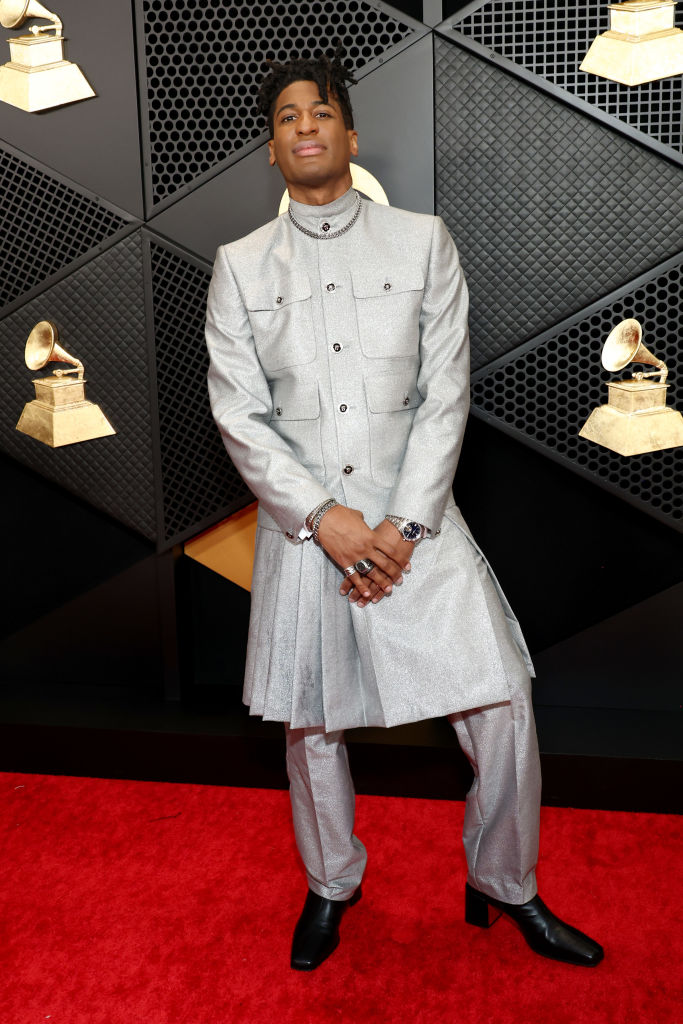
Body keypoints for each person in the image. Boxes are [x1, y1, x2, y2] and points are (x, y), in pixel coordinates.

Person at [205, 51, 603, 972]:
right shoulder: (237, 266)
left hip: (416, 526)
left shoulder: (423, 241)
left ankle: (505, 885)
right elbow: (239, 412)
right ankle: (331, 883)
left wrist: (400, 524)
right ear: (272, 149)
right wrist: (323, 519)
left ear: (347, 133)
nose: (304, 125)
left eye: (321, 112)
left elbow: (445, 391)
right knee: (312, 729)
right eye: (287, 117)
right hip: (307, 538)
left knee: (501, 702)